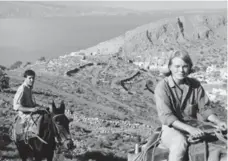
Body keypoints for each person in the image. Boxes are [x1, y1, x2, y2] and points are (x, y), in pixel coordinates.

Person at [154, 49, 227, 161]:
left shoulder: (195, 85)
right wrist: (190, 129)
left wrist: (218, 122)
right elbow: (167, 117)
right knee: (179, 145)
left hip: (195, 125)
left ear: (189, 67)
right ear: (170, 67)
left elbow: (205, 109)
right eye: (177, 66)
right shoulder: (162, 87)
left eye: (185, 66)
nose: (181, 70)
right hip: (172, 128)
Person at [13, 69, 41, 139]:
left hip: (31, 112)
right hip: (24, 115)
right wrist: (31, 109)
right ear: (25, 78)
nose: (32, 80)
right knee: (37, 129)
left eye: (33, 78)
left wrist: (39, 107)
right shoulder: (22, 89)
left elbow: (30, 103)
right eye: (30, 78)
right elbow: (15, 106)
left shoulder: (29, 88)